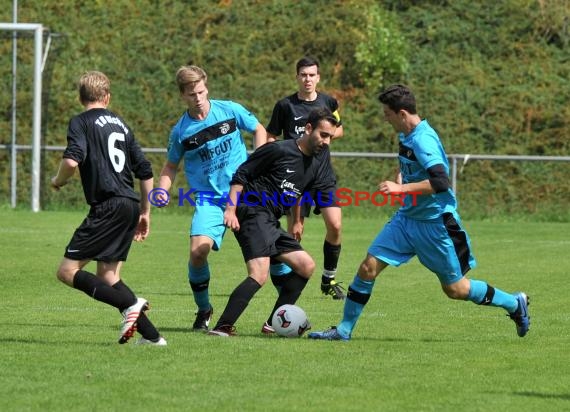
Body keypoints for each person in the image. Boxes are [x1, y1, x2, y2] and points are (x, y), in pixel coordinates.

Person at [309, 84, 530, 341]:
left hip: (435, 225)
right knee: (368, 267)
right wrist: (403, 177)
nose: (384, 118)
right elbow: (411, 166)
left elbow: (440, 182)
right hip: (406, 219)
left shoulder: (424, 140)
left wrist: (402, 188)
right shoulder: (405, 134)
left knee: (456, 289)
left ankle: (514, 304)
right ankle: (343, 330)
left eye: (388, 114)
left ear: (402, 114)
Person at [51, 71, 166, 346]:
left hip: (108, 206)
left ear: (81, 97)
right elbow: (146, 171)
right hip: (129, 204)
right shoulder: (122, 125)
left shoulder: (80, 122)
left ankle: (131, 305)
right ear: (107, 97)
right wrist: (145, 212)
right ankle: (152, 337)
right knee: (109, 276)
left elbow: (70, 162)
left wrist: (57, 181)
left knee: (67, 272)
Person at [208, 107, 340, 337]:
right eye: (323, 134)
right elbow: (242, 174)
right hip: (251, 210)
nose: (326, 141)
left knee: (305, 265)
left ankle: (272, 324)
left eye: (330, 136)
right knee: (259, 273)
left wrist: (297, 221)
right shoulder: (278, 149)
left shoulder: (316, 163)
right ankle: (222, 327)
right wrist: (230, 209)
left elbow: (299, 193)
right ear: (309, 129)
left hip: (270, 220)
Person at [157, 65, 267, 332]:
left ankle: (281, 312)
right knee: (198, 252)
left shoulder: (228, 109)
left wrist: (259, 160)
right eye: (192, 94)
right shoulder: (181, 132)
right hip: (209, 199)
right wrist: (162, 189)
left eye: (202, 91)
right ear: (183, 95)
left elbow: (259, 129)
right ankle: (204, 308)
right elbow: (170, 166)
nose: (199, 98)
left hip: (245, 193)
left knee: (271, 253)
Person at [266, 56, 346, 306]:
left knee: (335, 225)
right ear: (297, 76)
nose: (307, 79)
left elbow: (339, 127)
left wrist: (324, 136)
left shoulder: (328, 101)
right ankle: (289, 288)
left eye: (312, 75)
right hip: (296, 177)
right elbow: (270, 136)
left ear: (318, 77)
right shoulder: (285, 106)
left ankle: (328, 279)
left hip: (322, 176)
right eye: (303, 74)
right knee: (295, 232)